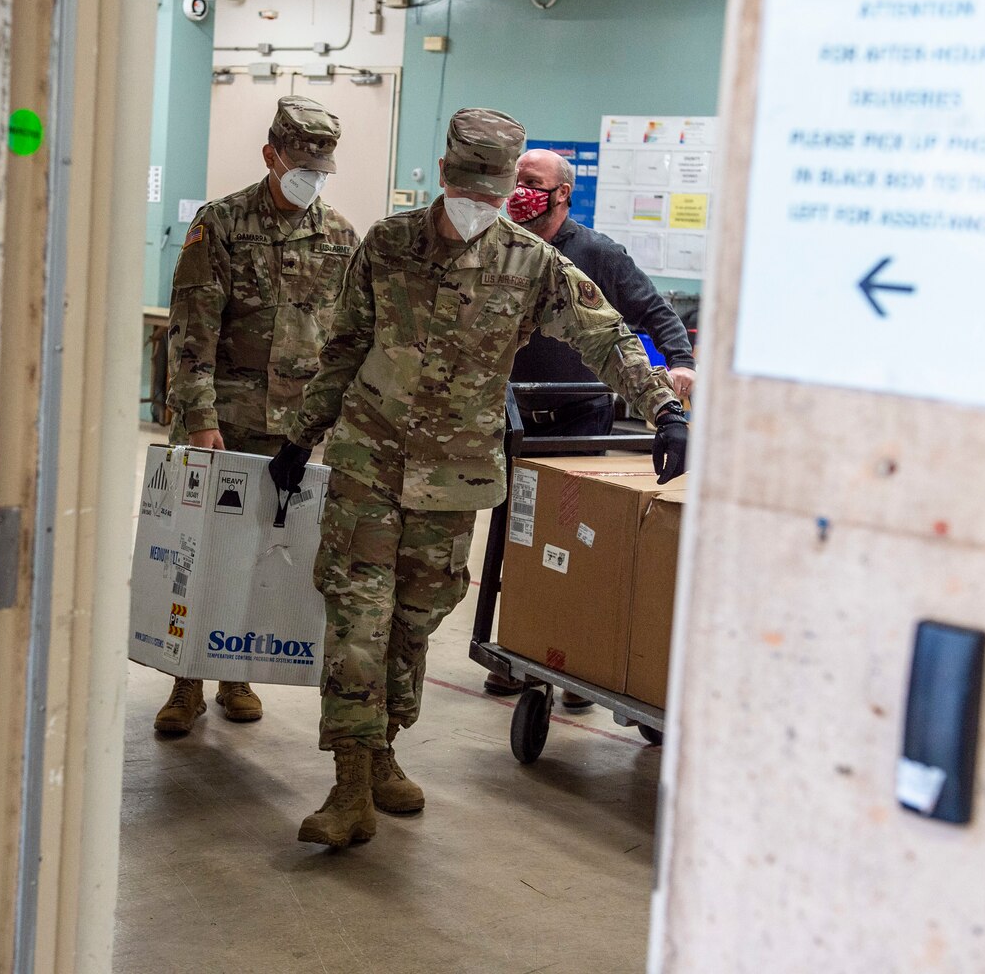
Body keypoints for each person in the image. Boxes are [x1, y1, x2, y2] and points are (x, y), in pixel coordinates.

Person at [267, 108, 688, 848]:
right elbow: (345, 344)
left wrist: (663, 410)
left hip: (453, 478)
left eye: (491, 192)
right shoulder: (389, 243)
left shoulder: (532, 262)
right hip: (370, 459)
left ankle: (384, 748)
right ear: (443, 173)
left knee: (415, 621)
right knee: (357, 617)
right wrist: (302, 436)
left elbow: (606, 334)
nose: (479, 202)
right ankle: (348, 783)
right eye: (472, 185)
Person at [154, 95, 359, 736]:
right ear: (271, 155)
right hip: (226, 421)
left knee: (266, 554)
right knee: (205, 551)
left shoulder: (341, 237)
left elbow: (350, 337)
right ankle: (185, 680)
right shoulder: (221, 225)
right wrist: (198, 417)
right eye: (301, 165)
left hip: (297, 432)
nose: (312, 179)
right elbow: (191, 331)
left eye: (322, 170)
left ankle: (233, 670)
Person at [485, 147, 699, 707]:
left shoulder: (597, 254)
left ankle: (575, 652)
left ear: (561, 195)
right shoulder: (500, 243)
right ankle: (524, 652)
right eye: (515, 180)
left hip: (578, 413)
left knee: (574, 537)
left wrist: (679, 363)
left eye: (531, 182)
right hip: (511, 414)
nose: (519, 190)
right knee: (516, 535)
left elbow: (655, 312)